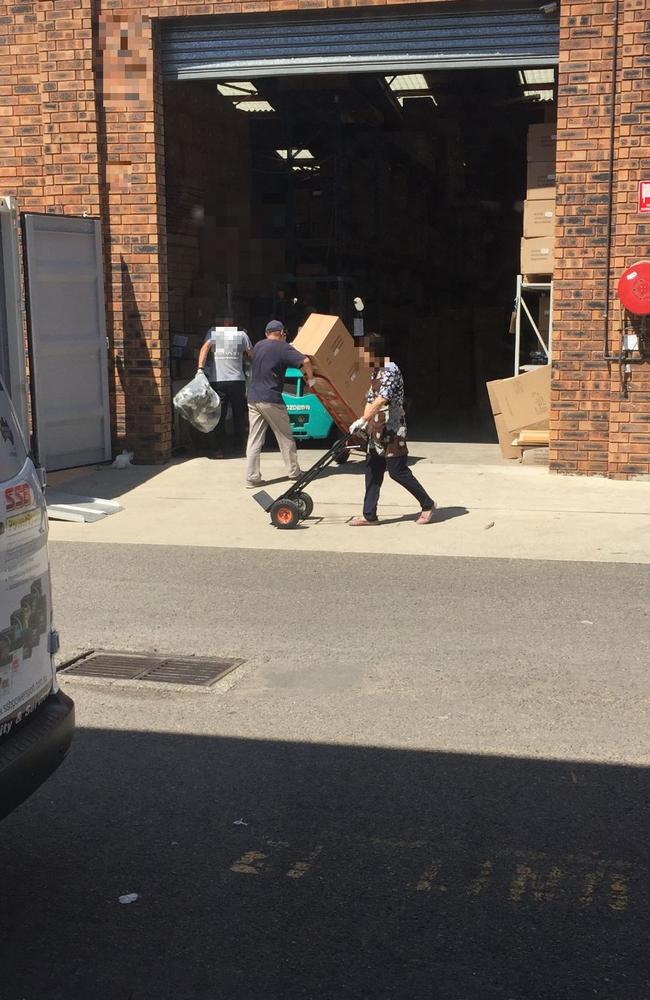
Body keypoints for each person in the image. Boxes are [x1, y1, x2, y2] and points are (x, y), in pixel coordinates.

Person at [348, 335, 437, 526]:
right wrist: (362, 423)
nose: (361, 358)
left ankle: (427, 504)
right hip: (377, 428)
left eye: (363, 354)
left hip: (393, 428)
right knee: (372, 469)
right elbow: (371, 400)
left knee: (397, 471)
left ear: (373, 353)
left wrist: (364, 419)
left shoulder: (391, 369)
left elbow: (382, 399)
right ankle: (369, 515)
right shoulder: (375, 373)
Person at [245, 320, 315, 488]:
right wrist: (311, 379)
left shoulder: (259, 346)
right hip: (271, 398)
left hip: (253, 397)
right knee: (285, 437)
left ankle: (252, 477)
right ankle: (294, 473)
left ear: (266, 333)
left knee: (254, 439)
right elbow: (305, 361)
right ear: (281, 332)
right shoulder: (282, 347)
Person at [197, 323, 252, 456]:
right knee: (239, 415)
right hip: (237, 380)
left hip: (218, 380)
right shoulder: (242, 334)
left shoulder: (213, 332)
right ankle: (239, 448)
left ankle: (218, 449)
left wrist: (200, 369)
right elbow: (251, 354)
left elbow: (204, 349)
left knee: (218, 416)